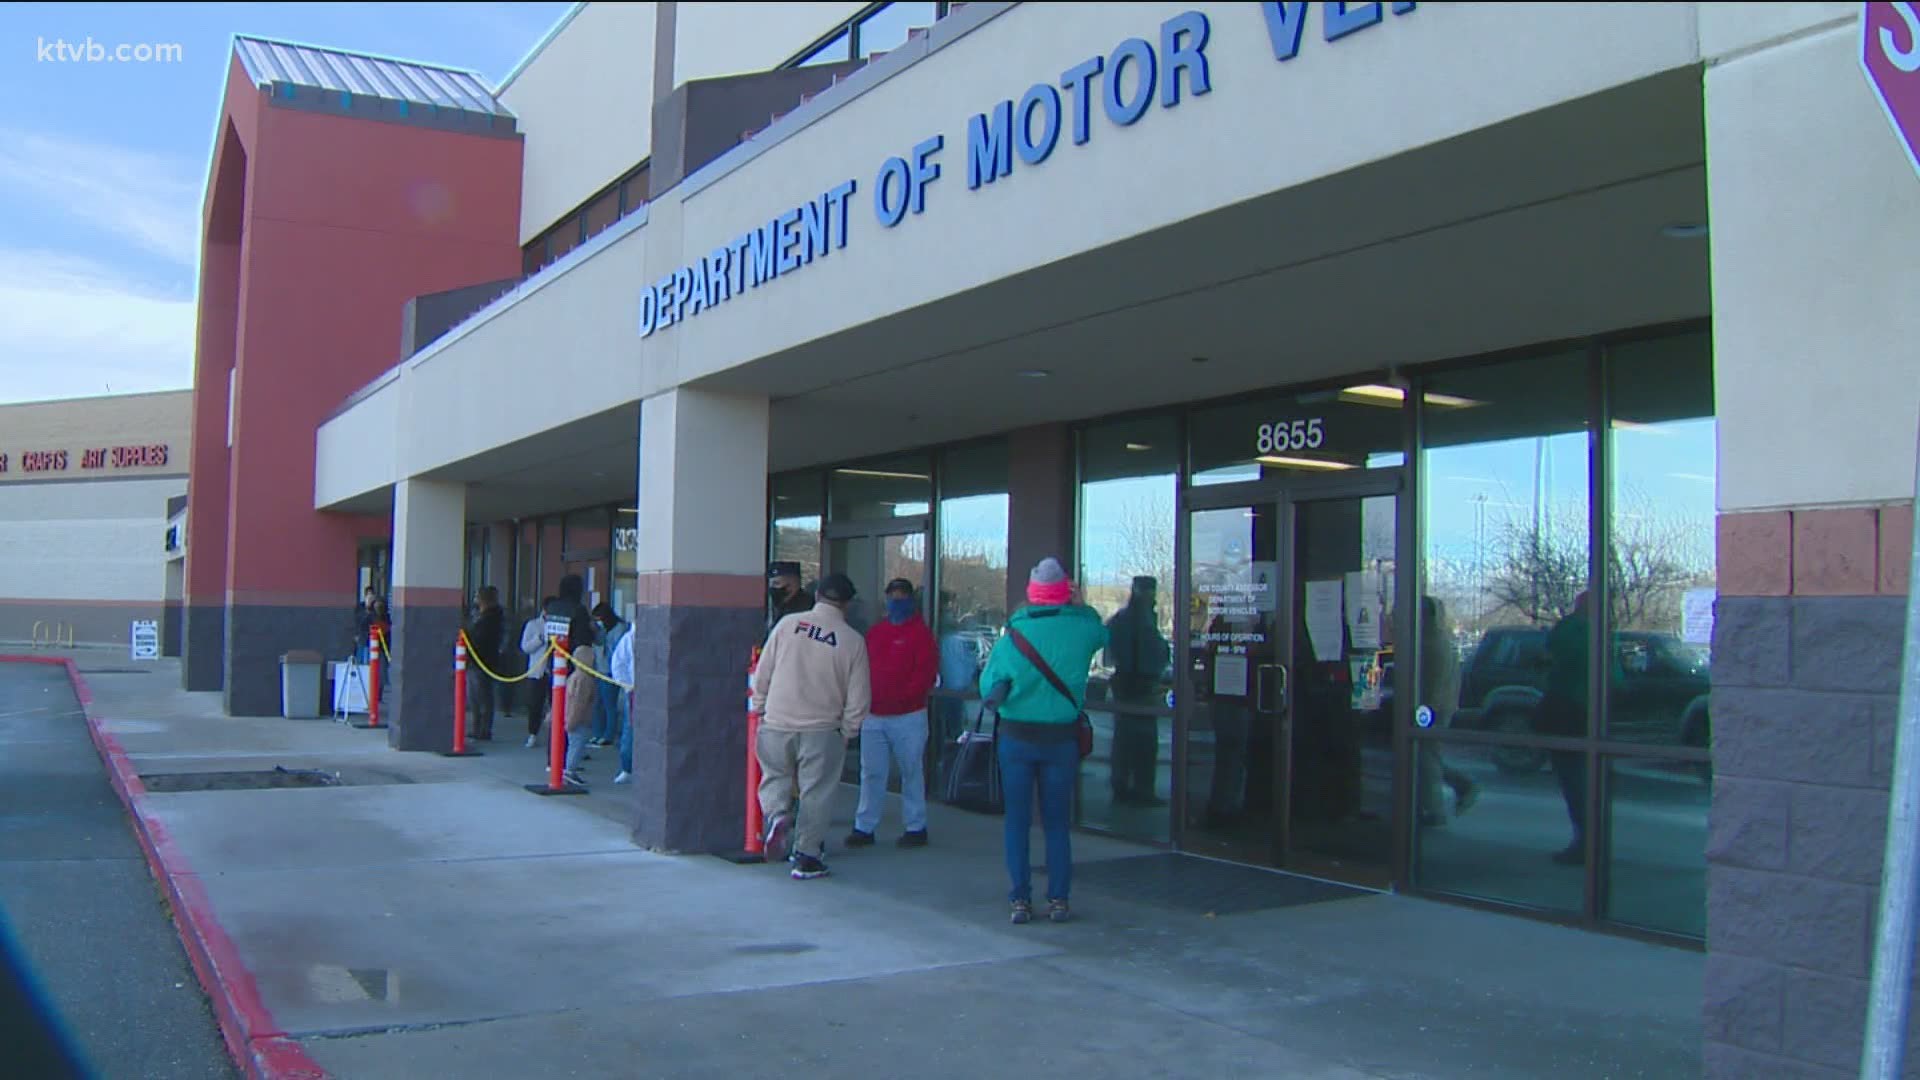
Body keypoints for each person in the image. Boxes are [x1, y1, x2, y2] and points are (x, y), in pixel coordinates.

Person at [980, 557, 1108, 925]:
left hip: (1017, 738)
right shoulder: (1082, 631)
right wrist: (1081, 607)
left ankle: (1020, 898)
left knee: (1017, 821)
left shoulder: (1014, 636)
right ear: (1066, 593)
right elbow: (1103, 634)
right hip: (1061, 740)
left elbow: (989, 687)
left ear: (1031, 595)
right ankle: (1059, 899)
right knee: (1056, 822)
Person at [752, 573, 870, 881]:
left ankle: (777, 815)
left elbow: (763, 672)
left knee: (774, 776)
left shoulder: (788, 625)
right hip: (822, 728)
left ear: (816, 594)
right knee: (816, 793)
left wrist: (762, 708)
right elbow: (859, 698)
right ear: (846, 603)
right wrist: (848, 731)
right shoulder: (852, 641)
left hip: (778, 721)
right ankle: (806, 855)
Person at [849, 579, 938, 849]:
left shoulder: (922, 636)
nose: (895, 603)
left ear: (910, 600)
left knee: (911, 771)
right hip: (873, 715)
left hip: (908, 716)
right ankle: (864, 827)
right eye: (891, 597)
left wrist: (901, 699)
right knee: (871, 772)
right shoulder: (876, 633)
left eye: (901, 597)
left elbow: (925, 675)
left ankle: (916, 826)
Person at [1104, 576, 1170, 807]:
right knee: (1142, 740)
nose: (1151, 596)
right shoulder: (1138, 619)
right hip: (1138, 685)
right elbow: (1151, 651)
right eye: (1149, 591)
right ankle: (1138, 788)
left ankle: (1124, 784)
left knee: (1126, 738)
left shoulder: (1129, 618)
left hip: (1131, 684)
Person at [1539, 591, 1592, 866]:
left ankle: (1585, 841)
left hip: (1567, 710)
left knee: (1573, 777)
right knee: (1587, 777)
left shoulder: (1571, 630)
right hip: (1592, 713)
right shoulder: (1605, 633)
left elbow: (1550, 654)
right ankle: (1590, 840)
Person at [1415, 596, 1478, 826]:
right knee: (1426, 756)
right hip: (1440, 707)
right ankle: (1453, 791)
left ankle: (1436, 808)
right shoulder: (1438, 639)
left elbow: (1433, 684)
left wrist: (1423, 713)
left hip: (1433, 709)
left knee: (1427, 759)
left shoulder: (1432, 644)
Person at [465, 586, 506, 741]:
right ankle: (478, 727)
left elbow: (480, 639)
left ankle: (483, 729)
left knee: (482, 697)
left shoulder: (491, 618)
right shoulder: (482, 616)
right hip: (477, 661)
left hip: (482, 661)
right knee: (475, 697)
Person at [590, 603, 629, 749]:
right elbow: (599, 642)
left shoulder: (619, 629)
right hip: (599, 669)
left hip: (610, 671)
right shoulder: (603, 629)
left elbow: (615, 650)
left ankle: (608, 735)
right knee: (597, 704)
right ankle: (597, 733)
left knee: (609, 705)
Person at [520, 597, 557, 748]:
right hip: (537, 671)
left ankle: (555, 737)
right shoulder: (533, 625)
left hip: (555, 671)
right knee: (535, 704)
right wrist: (539, 639)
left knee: (555, 704)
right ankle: (533, 733)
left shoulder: (559, 625)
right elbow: (525, 647)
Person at [609, 620, 635, 785]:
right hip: (634, 689)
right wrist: (627, 686)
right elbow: (618, 663)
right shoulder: (630, 638)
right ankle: (627, 768)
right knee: (630, 730)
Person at [767, 561, 814, 633]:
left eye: (776, 583)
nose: (772, 588)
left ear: (792, 585)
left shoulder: (806, 607)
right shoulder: (781, 605)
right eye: (771, 584)